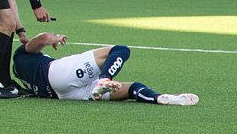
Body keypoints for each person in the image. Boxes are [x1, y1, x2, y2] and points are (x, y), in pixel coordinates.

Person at [13, 33, 198, 105]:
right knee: (120, 50)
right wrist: (54, 37)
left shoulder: (23, 74)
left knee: (132, 88)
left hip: (63, 94)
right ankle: (104, 79)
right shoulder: (20, 55)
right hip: (57, 74)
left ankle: (159, 98)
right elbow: (42, 38)